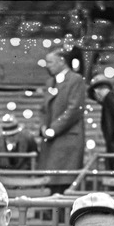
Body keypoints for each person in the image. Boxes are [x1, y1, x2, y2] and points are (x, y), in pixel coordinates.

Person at [37, 49, 87, 195]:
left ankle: (61, 215)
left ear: (62, 62)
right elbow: (43, 109)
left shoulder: (75, 80)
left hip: (67, 138)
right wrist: (43, 127)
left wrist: (53, 129)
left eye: (50, 62)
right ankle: (49, 214)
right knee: (50, 180)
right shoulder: (50, 82)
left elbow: (75, 109)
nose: (48, 65)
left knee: (64, 180)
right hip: (51, 139)